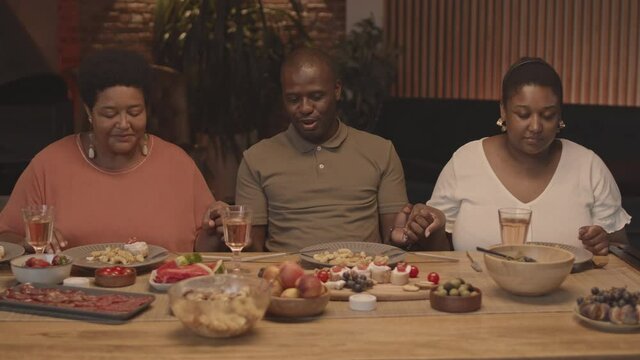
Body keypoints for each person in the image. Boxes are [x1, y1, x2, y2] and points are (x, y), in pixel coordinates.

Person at [0, 48, 226, 253]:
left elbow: (201, 250)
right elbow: (5, 236)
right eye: (109, 114)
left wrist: (216, 230)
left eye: (135, 112)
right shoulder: (49, 164)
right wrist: (25, 243)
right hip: (73, 295)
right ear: (90, 112)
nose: (124, 124)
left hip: (164, 291)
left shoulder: (178, 164)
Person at [402, 57, 631, 253]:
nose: (535, 126)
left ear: (560, 114)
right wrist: (430, 228)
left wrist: (605, 243)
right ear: (503, 110)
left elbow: (620, 250)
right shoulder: (465, 162)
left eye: (548, 115)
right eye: (523, 114)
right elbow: (441, 255)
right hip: (478, 298)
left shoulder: (589, 166)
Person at [234, 47, 446, 252]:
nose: (305, 108)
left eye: (316, 97)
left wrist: (406, 234)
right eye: (293, 99)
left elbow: (394, 236)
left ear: (337, 90)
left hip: (362, 278)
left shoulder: (380, 151)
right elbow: (253, 251)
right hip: (287, 279)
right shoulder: (257, 159)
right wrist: (229, 232)